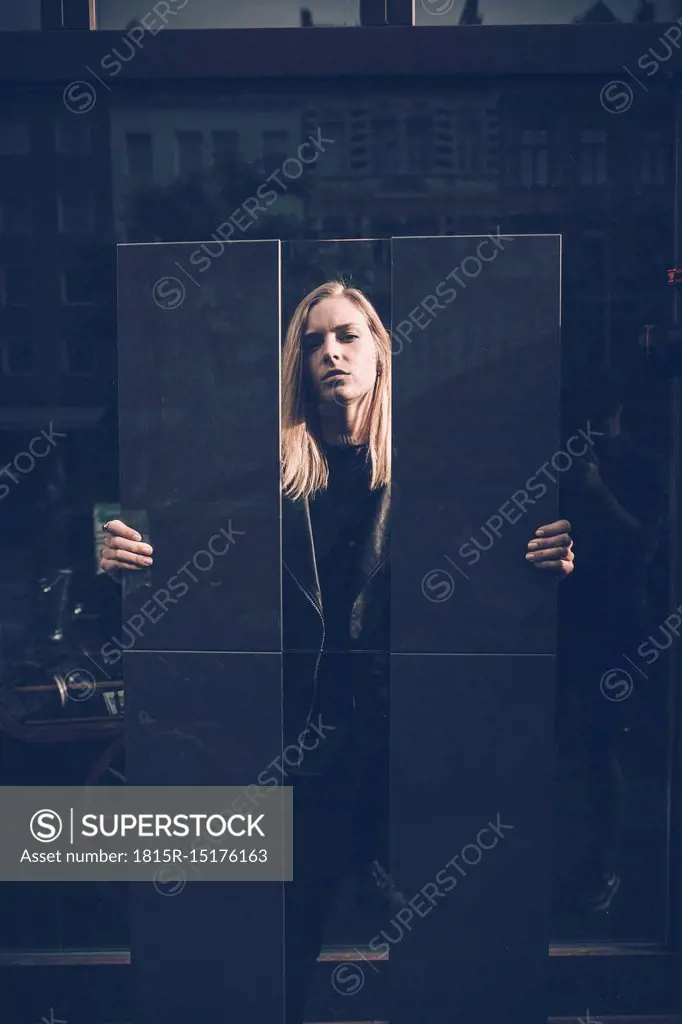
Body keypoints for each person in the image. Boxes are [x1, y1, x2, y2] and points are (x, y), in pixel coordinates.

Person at [101, 280, 575, 1023]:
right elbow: (168, 547)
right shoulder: (265, 483)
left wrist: (549, 563)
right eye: (315, 341)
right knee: (280, 950)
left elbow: (491, 596)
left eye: (348, 336)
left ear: (380, 352)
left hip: (410, 748)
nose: (331, 353)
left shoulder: (436, 477)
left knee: (453, 947)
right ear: (297, 363)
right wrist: (117, 550)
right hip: (302, 754)